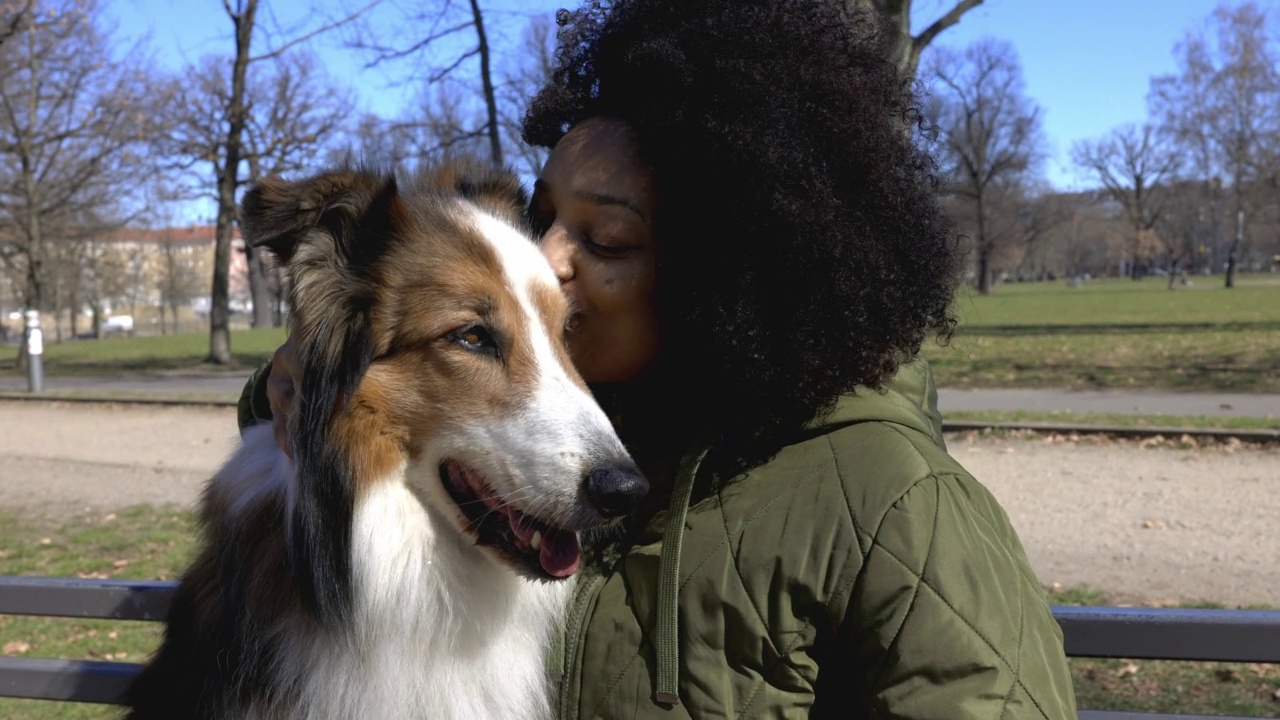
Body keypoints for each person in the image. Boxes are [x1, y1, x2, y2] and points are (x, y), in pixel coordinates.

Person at [238, 0, 1077, 716]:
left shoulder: (894, 500)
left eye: (606, 237)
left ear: (722, 272)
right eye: (540, 216)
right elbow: (361, 414)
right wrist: (295, 374)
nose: (547, 259)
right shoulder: (582, 419)